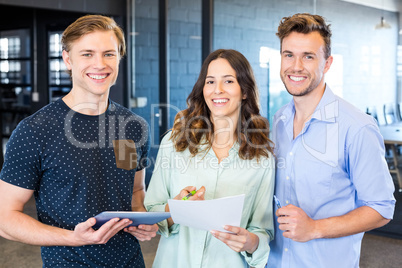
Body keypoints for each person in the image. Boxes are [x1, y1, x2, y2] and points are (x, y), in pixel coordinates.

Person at [0, 14, 158, 267]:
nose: (100, 64)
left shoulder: (132, 127)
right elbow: (5, 218)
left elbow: (135, 191)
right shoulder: (35, 131)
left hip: (130, 262)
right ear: (67, 59)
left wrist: (142, 222)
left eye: (109, 54)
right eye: (87, 54)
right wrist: (72, 238)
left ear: (119, 58)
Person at [267, 13, 396, 268]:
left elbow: (381, 208)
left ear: (327, 63)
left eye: (309, 56)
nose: (296, 66)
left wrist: (314, 228)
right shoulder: (279, 120)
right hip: (275, 262)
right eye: (288, 54)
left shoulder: (356, 127)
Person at [144, 49, 275, 267]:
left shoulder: (262, 158)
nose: (218, 90)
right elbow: (152, 212)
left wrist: (250, 242)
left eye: (229, 81)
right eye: (210, 81)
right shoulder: (174, 143)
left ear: (244, 91)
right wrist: (176, 208)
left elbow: (262, 231)